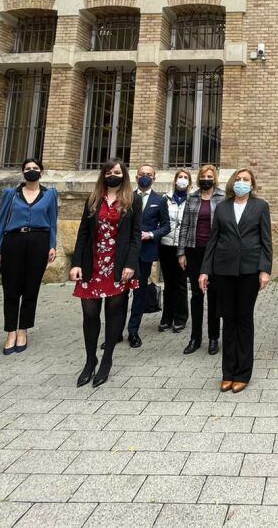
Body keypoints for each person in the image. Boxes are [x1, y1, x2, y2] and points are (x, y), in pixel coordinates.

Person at [199, 168, 272, 393]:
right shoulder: (222, 207)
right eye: (238, 179)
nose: (241, 183)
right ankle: (228, 372)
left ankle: (243, 373)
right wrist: (205, 271)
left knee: (244, 319)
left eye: (246, 180)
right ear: (233, 183)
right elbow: (213, 240)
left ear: (252, 184)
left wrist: (265, 270)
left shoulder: (260, 207)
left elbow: (266, 240)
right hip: (224, 270)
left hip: (249, 271)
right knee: (228, 320)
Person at [70, 159, 141, 387]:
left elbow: (135, 236)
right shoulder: (93, 200)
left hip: (118, 265)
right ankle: (90, 360)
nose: (113, 175)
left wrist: (130, 264)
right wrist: (76, 263)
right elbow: (82, 234)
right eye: (109, 172)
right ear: (103, 175)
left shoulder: (132, 200)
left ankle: (107, 359)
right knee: (90, 313)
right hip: (93, 263)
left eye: (117, 172)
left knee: (114, 312)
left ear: (124, 175)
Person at [0, 157, 58, 354]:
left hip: (39, 241)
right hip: (13, 241)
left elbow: (53, 221)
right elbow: (1, 222)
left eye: (35, 168)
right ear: (22, 172)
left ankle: (23, 330)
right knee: (11, 289)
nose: (31, 171)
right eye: (27, 168)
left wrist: (52, 245)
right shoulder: (11, 194)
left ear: (41, 172)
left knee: (31, 289)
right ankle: (10, 331)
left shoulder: (50, 194)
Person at [178, 164, 223, 355]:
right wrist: (181, 252)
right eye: (204, 175)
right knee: (197, 295)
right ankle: (195, 338)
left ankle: (213, 338)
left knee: (213, 295)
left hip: (214, 252)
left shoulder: (222, 198)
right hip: (193, 250)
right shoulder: (192, 197)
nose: (207, 178)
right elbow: (185, 226)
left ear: (215, 178)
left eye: (210, 175)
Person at [125, 164, 170, 347]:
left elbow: (166, 226)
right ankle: (115, 331)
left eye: (149, 174)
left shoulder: (159, 200)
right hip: (125, 252)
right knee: (120, 293)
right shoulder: (127, 197)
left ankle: (133, 331)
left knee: (139, 291)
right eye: (142, 174)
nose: (145, 177)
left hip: (145, 252)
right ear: (136, 177)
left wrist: (151, 234)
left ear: (154, 177)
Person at [158, 169, 191, 334]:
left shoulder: (192, 200)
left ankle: (180, 317)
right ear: (175, 180)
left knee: (180, 282)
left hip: (182, 247)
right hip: (165, 245)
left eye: (185, 178)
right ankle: (167, 316)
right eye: (180, 177)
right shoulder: (165, 199)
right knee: (168, 283)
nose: (182, 180)